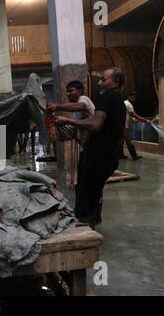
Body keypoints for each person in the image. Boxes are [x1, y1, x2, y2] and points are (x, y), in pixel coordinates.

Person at [54, 67, 127, 228]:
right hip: (109, 156)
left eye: (103, 79)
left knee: (86, 192)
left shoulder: (105, 97)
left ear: (115, 83)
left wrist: (66, 120)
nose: (99, 83)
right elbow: (121, 133)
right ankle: (92, 220)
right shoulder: (120, 102)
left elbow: (95, 125)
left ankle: (83, 227)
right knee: (94, 191)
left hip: (97, 157)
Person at [119, 92, 151, 160]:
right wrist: (145, 121)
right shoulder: (129, 105)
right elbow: (135, 115)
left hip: (122, 124)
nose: (134, 99)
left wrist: (131, 118)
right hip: (124, 125)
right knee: (124, 140)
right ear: (129, 97)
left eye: (135, 98)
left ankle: (122, 155)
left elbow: (125, 114)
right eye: (133, 98)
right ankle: (132, 156)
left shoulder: (124, 103)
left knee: (126, 139)